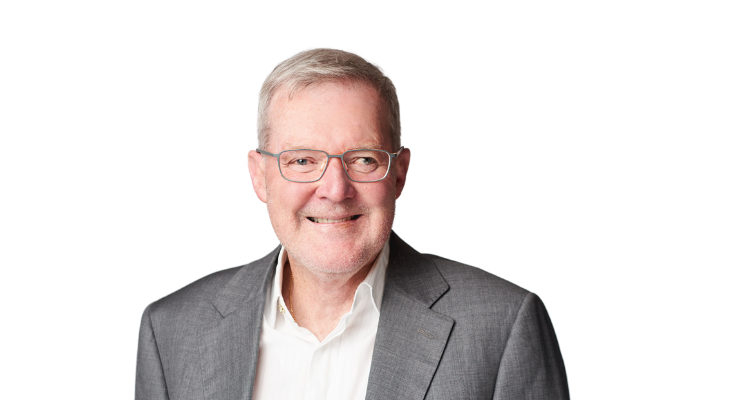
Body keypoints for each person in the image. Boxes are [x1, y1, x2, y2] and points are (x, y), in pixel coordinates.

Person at [135, 48, 569, 400]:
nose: (335, 189)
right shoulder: (172, 332)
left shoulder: (503, 327)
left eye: (363, 159)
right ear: (259, 176)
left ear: (399, 174)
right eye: (302, 160)